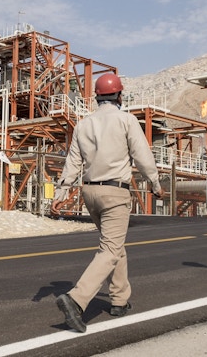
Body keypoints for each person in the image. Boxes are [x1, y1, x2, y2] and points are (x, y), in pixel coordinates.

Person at [50, 73, 164, 332]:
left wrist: (61, 192)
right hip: (114, 193)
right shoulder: (126, 120)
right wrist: (155, 185)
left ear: (97, 97)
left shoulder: (83, 124)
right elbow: (143, 156)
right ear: (119, 95)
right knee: (110, 250)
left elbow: (73, 162)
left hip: (90, 192)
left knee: (115, 245)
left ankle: (119, 300)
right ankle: (76, 300)